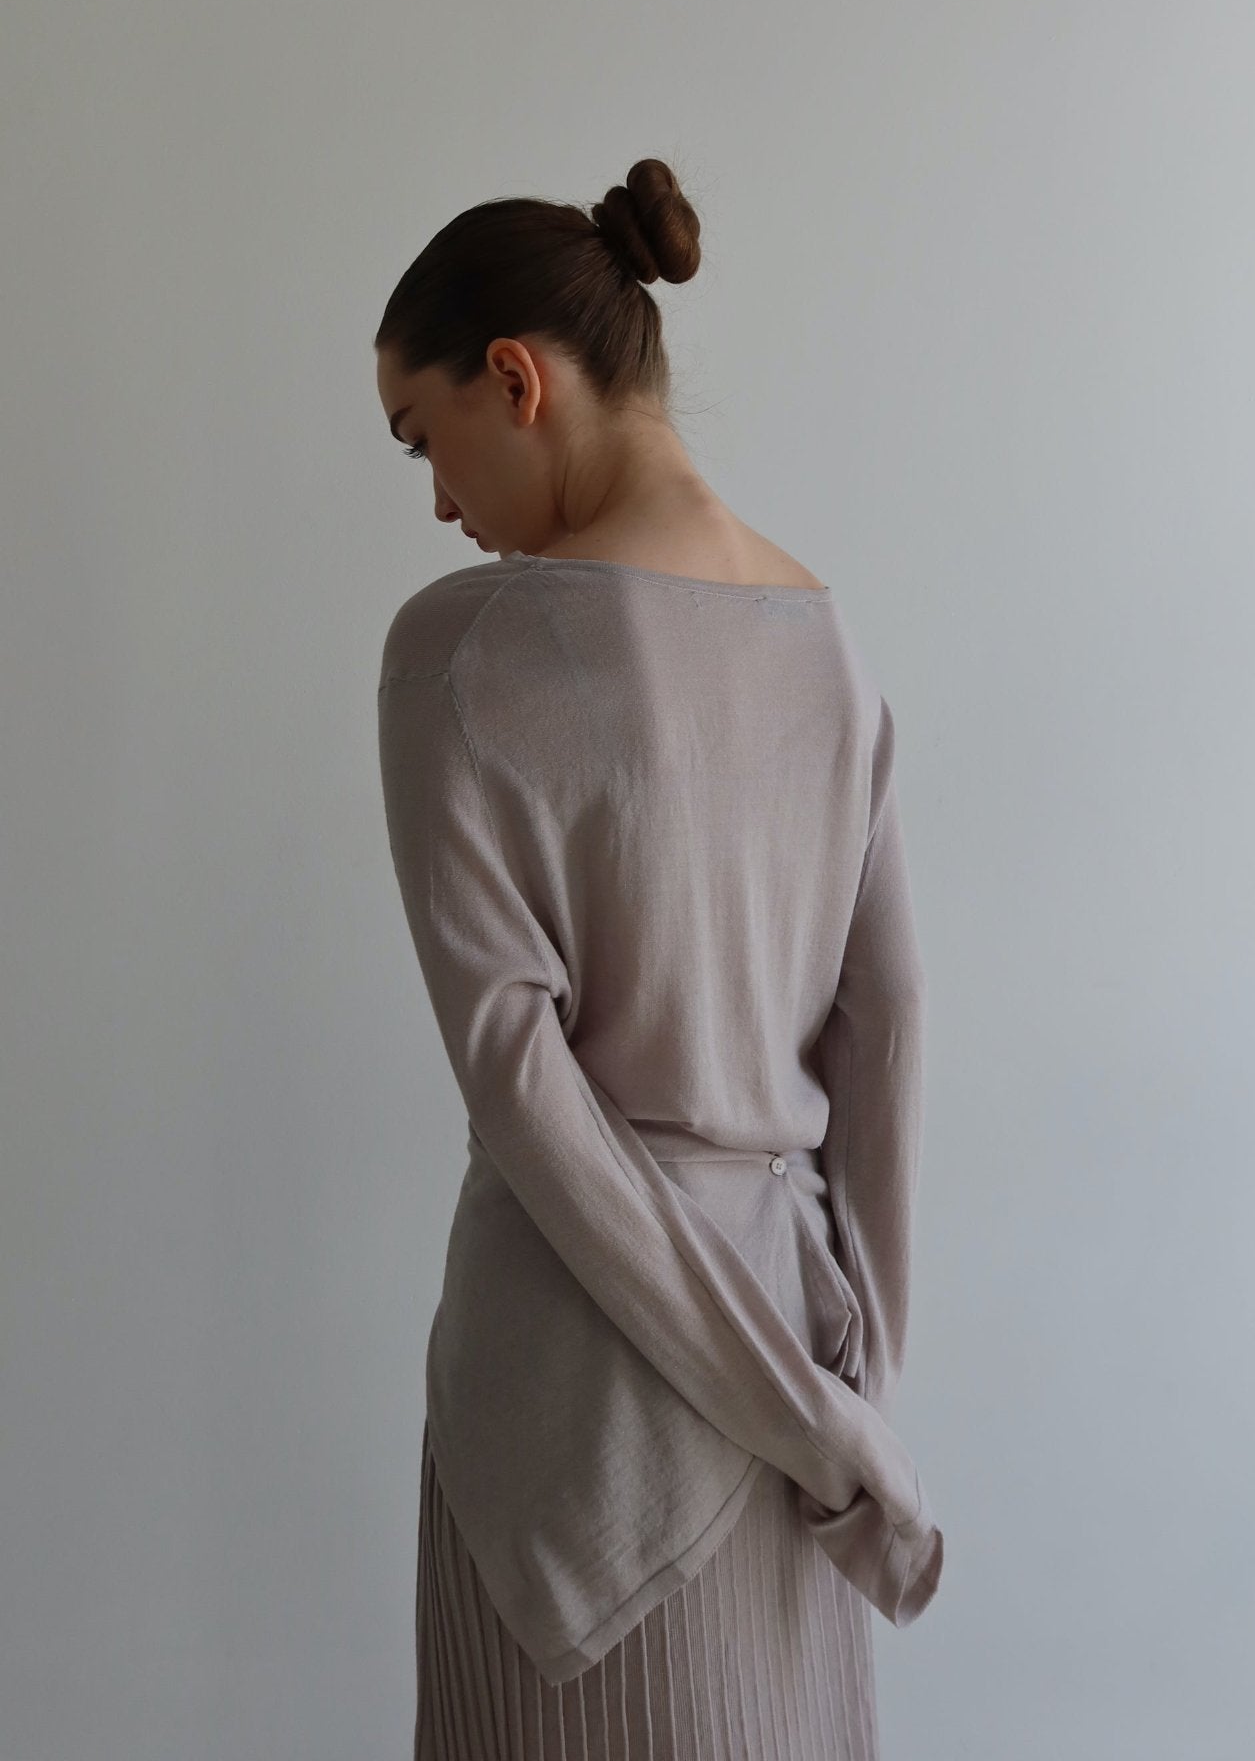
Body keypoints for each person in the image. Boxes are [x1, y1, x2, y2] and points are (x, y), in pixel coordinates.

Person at [374, 158, 944, 1760]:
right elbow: (887, 1029)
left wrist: (814, 1423)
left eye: (424, 440)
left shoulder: (457, 652)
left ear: (515, 378)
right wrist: (848, 1411)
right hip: (792, 1372)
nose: (434, 502)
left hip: (569, 1421)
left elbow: (522, 1092)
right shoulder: (826, 641)